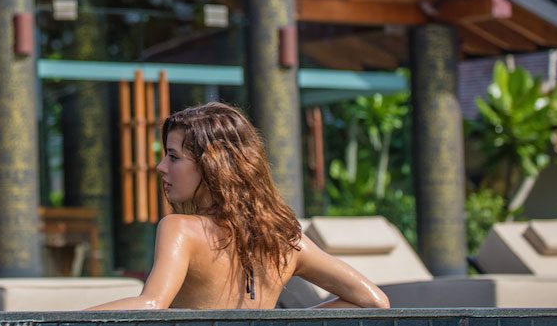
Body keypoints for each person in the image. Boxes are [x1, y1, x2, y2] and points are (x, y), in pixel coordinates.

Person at [87, 102, 390, 310]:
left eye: (174, 157)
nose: (161, 167)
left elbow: (152, 304)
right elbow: (375, 301)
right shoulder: (286, 241)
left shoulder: (180, 229)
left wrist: (63, 320)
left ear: (212, 165)